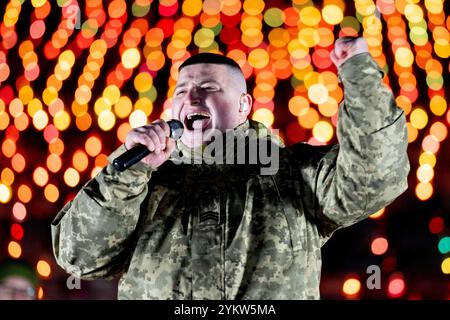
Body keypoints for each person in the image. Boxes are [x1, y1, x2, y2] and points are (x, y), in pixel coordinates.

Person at [51, 37, 409, 299]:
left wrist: (360, 73)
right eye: (182, 91)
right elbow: (80, 258)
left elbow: (375, 177)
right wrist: (126, 174)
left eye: (208, 88)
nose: (192, 98)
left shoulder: (294, 175)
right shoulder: (139, 181)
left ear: (243, 106)